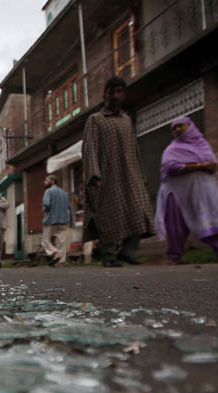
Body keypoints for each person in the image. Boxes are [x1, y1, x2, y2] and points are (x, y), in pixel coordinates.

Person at [81, 77, 155, 267]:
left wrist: (141, 174)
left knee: (140, 209)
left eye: (120, 91)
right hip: (106, 175)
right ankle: (108, 256)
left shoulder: (126, 120)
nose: (116, 95)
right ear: (105, 94)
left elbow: (134, 147)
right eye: (112, 91)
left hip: (130, 174)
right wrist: (93, 174)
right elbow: (90, 147)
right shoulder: (96, 120)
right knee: (108, 216)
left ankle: (127, 251)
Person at [155, 116, 218, 264]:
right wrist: (199, 166)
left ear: (190, 126)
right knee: (176, 227)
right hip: (177, 194)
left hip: (201, 193)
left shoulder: (203, 145)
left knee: (208, 220)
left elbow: (213, 164)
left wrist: (210, 166)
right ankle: (174, 258)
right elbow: (170, 167)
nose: (177, 129)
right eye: (174, 128)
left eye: (180, 125)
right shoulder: (172, 149)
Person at [40, 174, 70, 267]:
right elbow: (68, 207)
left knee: (45, 241)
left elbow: (46, 204)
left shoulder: (48, 191)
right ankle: (59, 262)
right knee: (61, 242)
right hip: (63, 220)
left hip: (51, 220)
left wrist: (44, 210)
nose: (44, 182)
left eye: (46, 180)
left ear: (52, 181)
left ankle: (55, 252)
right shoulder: (64, 193)